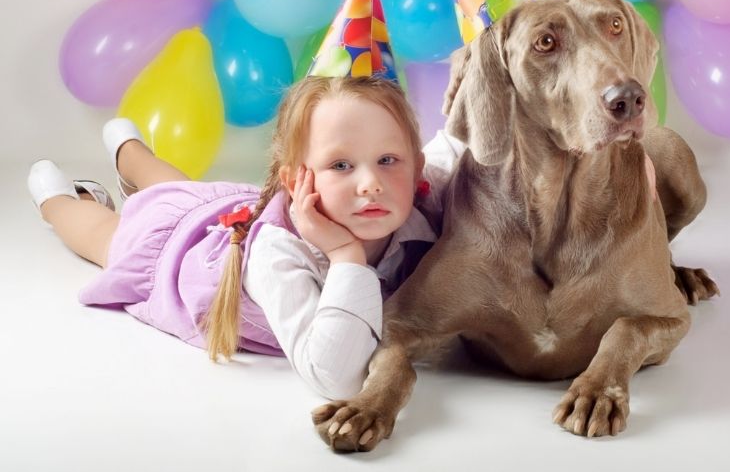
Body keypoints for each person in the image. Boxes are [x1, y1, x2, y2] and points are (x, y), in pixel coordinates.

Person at [27, 76, 465, 400]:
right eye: (342, 166)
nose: (371, 183)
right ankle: (62, 198)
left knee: (182, 192)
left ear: (416, 166)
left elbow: (463, 144)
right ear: (297, 181)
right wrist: (344, 253)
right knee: (110, 233)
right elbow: (340, 377)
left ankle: (131, 152)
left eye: (388, 159)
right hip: (183, 259)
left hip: (228, 210)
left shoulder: (416, 198)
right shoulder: (279, 254)